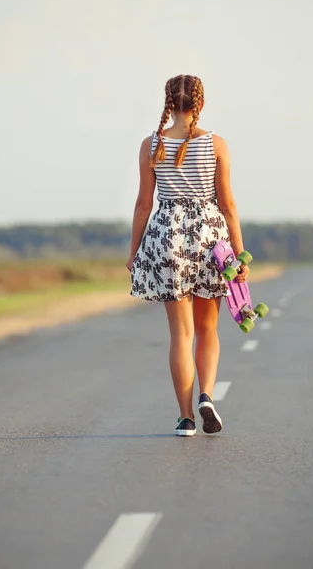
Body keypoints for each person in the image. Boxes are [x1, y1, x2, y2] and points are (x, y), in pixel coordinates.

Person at [127, 74, 249, 437]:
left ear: (168, 103)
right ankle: (207, 395)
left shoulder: (152, 145)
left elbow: (143, 204)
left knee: (181, 335)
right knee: (208, 328)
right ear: (201, 103)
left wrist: (134, 251)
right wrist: (240, 256)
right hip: (210, 242)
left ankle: (185, 418)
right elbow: (227, 204)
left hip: (169, 242)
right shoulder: (216, 144)